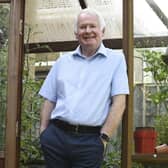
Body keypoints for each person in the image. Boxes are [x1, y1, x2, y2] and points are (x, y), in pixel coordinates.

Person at [39, 8, 129, 168]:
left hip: (90, 141)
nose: (88, 31)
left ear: (102, 31)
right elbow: (49, 99)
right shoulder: (62, 62)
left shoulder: (116, 60)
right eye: (82, 27)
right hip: (56, 137)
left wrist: (104, 138)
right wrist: (43, 132)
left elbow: (119, 102)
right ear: (76, 34)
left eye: (92, 26)